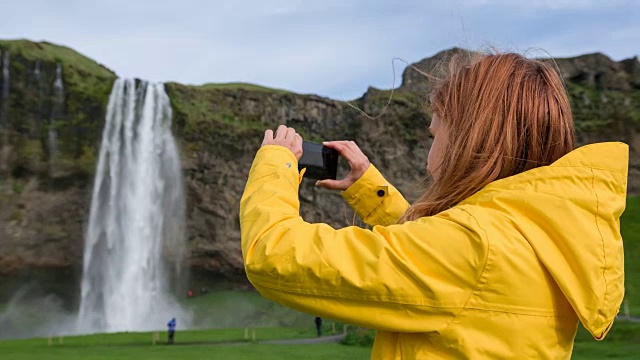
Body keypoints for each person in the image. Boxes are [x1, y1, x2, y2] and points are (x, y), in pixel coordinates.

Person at [239, 52, 627, 359]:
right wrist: (372, 192)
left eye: (434, 133)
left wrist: (277, 164)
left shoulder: (474, 248)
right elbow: (438, 269)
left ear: (466, 137)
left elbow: (274, 257)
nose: (429, 155)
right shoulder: (538, 235)